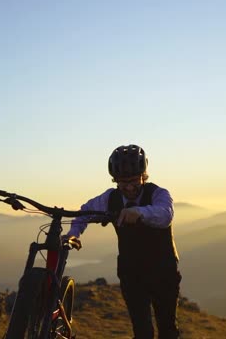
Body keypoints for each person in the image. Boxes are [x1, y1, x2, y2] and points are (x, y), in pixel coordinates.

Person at [65, 144, 182, 339]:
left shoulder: (158, 194)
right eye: (122, 182)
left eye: (134, 181)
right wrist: (74, 233)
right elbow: (83, 213)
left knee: (168, 329)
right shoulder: (110, 198)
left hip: (164, 271)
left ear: (144, 175)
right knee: (141, 331)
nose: (128, 187)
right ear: (115, 181)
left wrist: (139, 212)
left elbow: (165, 215)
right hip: (132, 273)